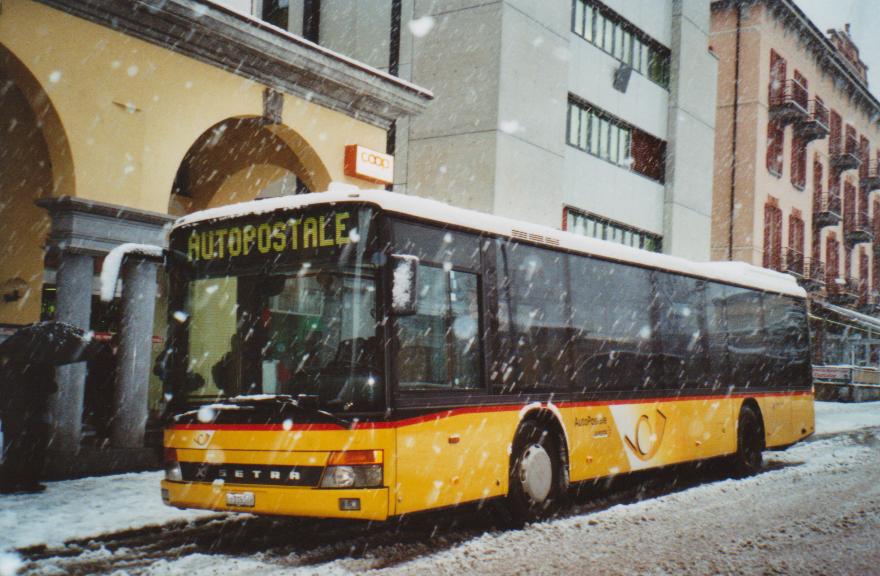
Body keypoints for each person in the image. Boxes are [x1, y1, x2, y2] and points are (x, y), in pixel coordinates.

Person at [0, 357, 57, 493]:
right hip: (34, 412)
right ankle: (29, 481)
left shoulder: (11, 365)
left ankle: (7, 482)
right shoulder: (44, 364)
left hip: (13, 411)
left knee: (13, 447)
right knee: (35, 447)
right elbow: (50, 387)